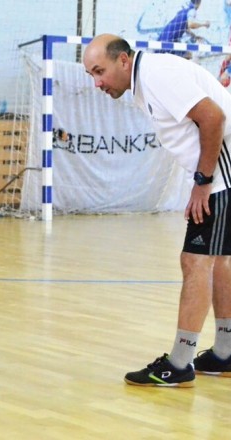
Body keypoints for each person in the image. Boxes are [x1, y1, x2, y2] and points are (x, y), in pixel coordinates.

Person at [83, 34, 231, 387]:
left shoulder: (157, 74)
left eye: (99, 71)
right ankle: (226, 352)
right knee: (220, 259)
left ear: (123, 61)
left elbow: (213, 117)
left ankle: (180, 363)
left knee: (196, 261)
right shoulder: (145, 81)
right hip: (221, 174)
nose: (97, 82)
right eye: (91, 74)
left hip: (223, 175)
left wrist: (202, 182)